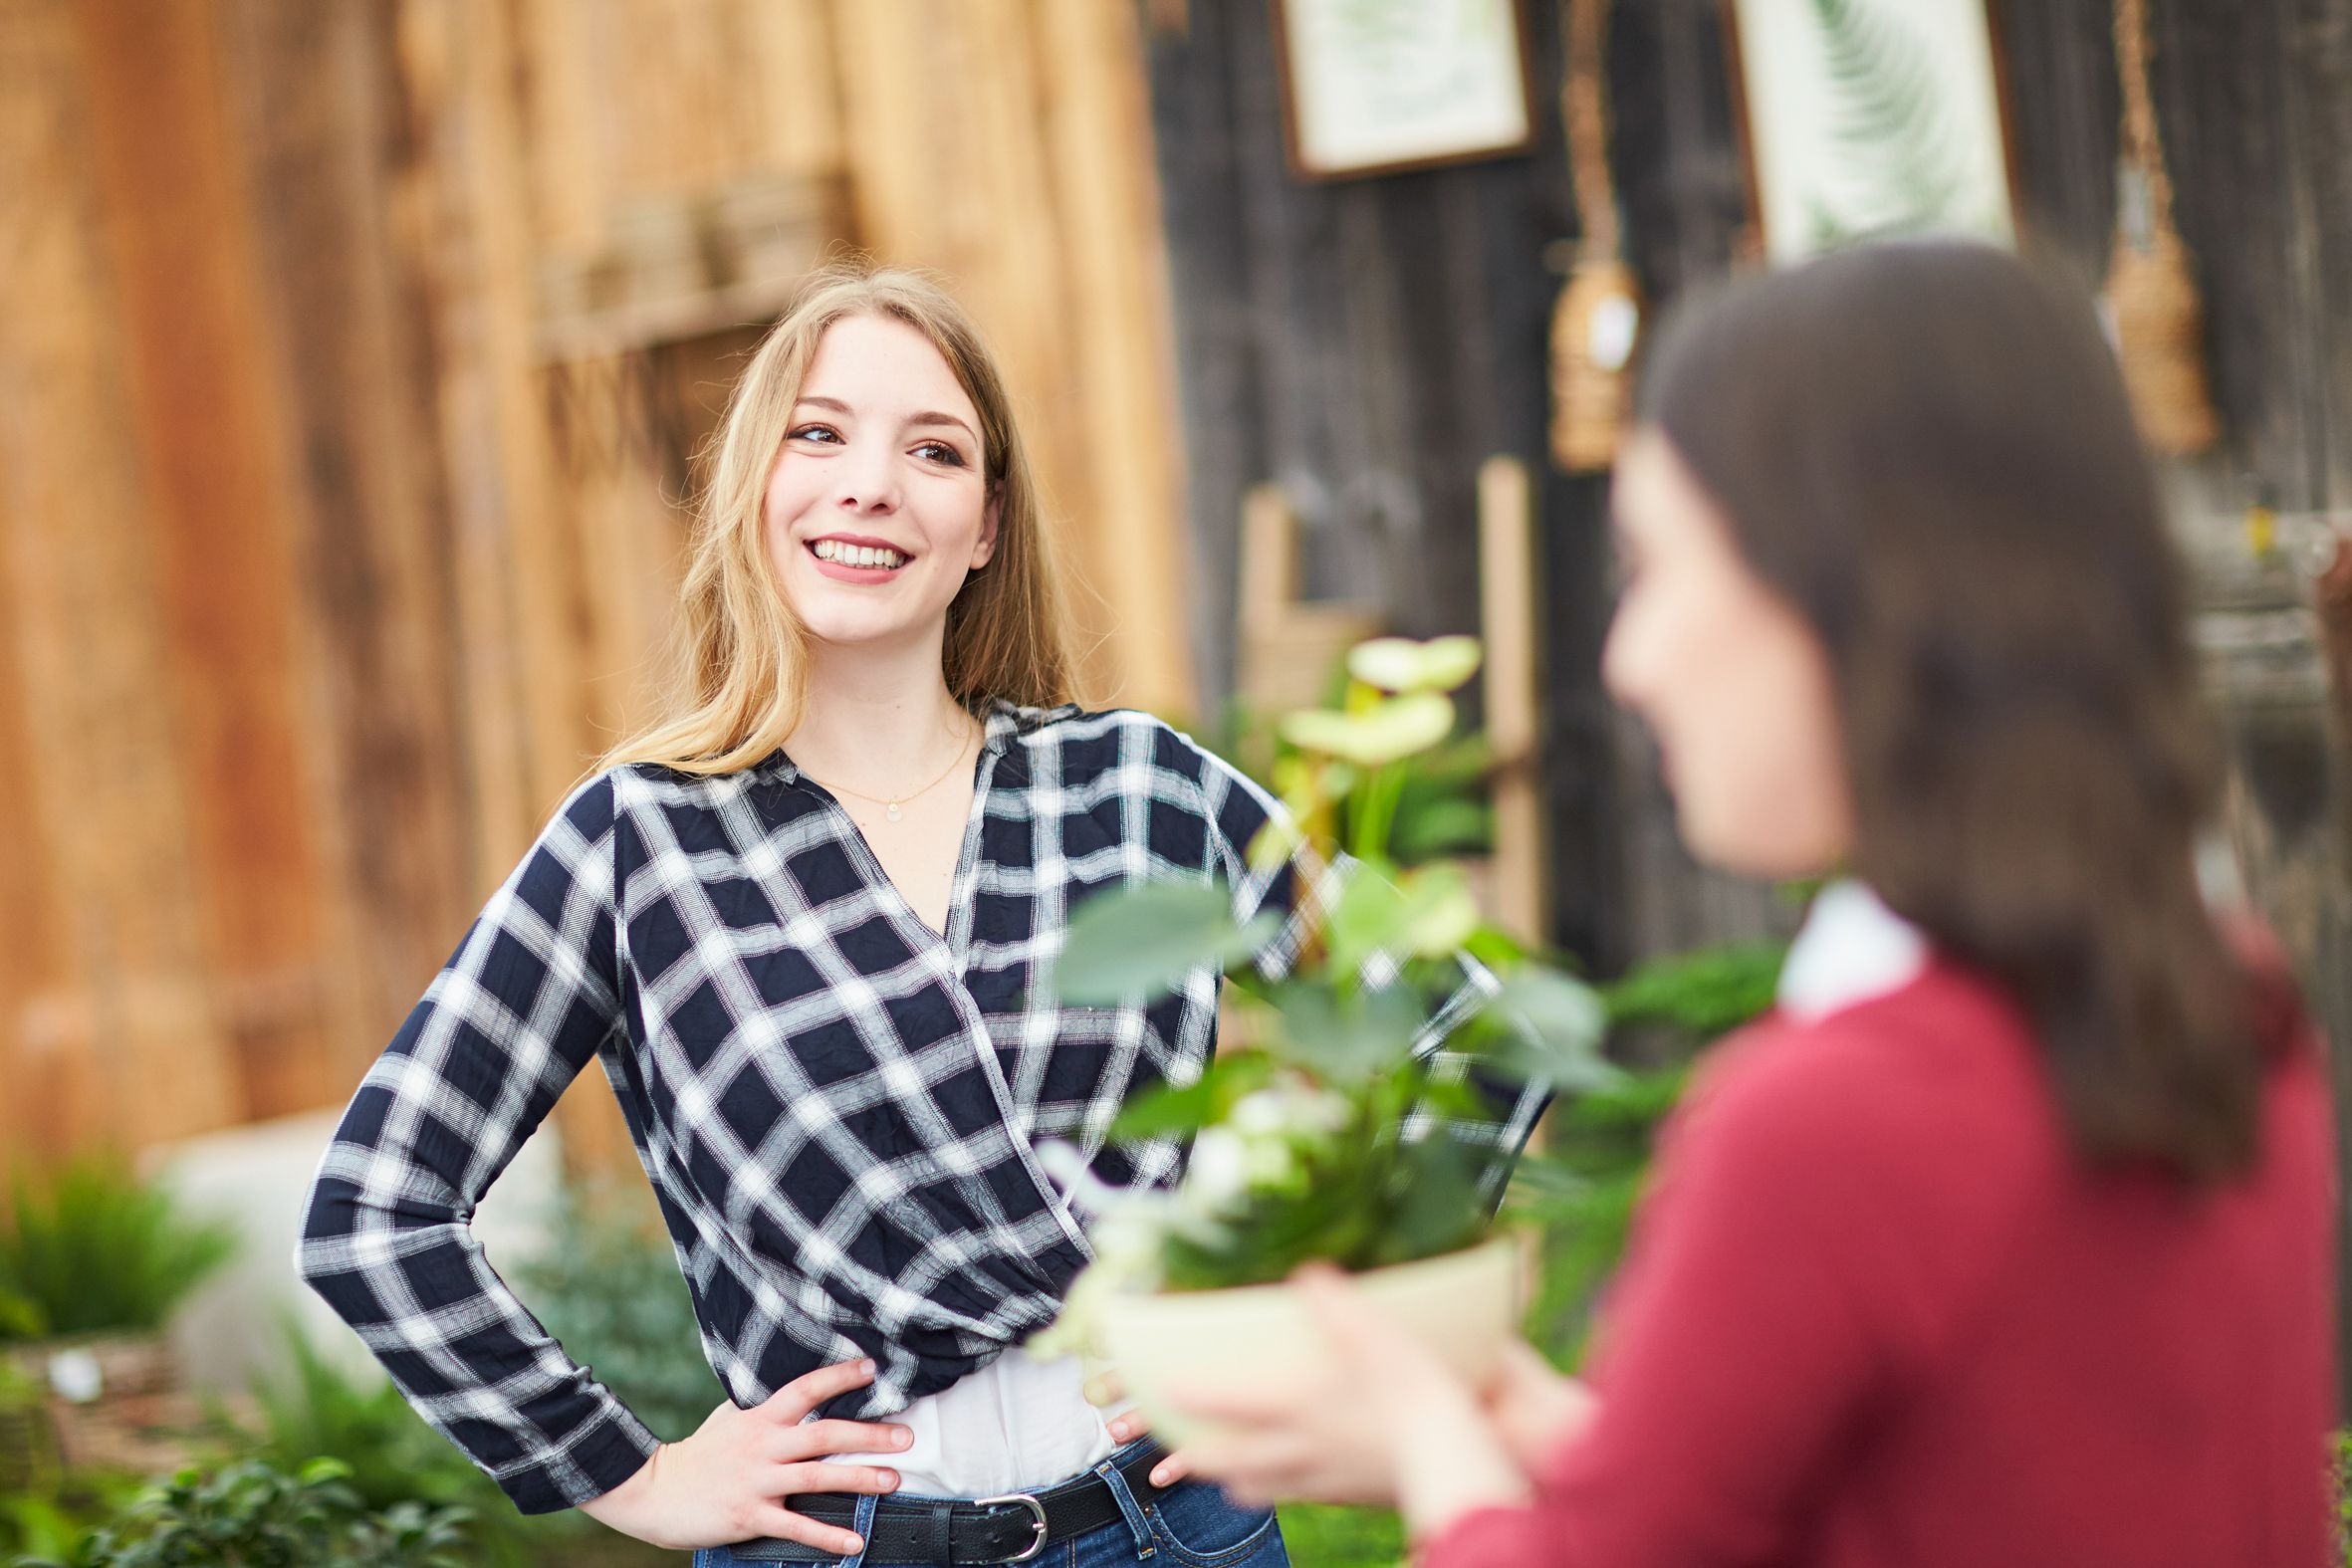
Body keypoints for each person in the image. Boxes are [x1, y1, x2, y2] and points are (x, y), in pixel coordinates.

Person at [294, 261, 1544, 1568]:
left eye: (933, 450)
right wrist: (626, 1471)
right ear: (753, 488)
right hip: (843, 1549)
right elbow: (377, 1211)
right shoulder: (636, 842)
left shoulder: (1139, 786)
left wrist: (1297, 1330)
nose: (870, 485)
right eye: (817, 433)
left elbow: (1474, 1026)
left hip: (1173, 1527)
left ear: (987, 524)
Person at [1172, 241, 2340, 1566]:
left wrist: (1428, 1441)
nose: (1627, 660)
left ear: (1852, 598)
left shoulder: (1824, 1127)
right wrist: (1573, 1440)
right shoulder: (2218, 998)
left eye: (1658, 569)